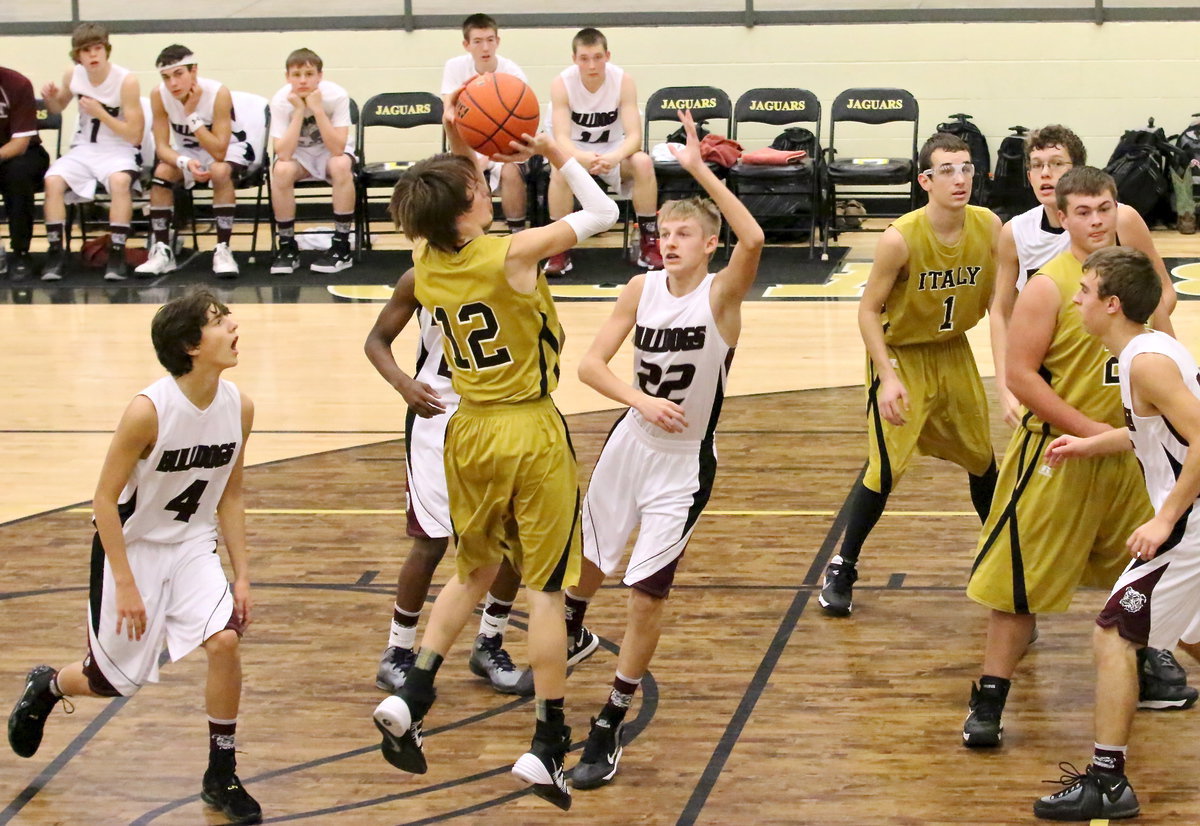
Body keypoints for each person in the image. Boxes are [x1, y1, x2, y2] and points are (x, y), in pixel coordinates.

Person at [370, 90, 617, 811]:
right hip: (526, 428)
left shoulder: (427, 261)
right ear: (467, 206)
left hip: (465, 428)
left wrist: (464, 140)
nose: (487, 187)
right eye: (478, 185)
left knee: (472, 569)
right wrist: (553, 151)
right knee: (542, 589)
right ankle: (547, 741)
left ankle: (414, 693)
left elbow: (439, 189)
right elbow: (602, 214)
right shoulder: (510, 253)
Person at [963, 167, 1197, 751]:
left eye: (1105, 209)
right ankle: (990, 697)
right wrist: (1092, 431)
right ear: (1061, 217)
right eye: (1085, 212)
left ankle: (1144, 671)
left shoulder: (1130, 281)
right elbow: (1018, 374)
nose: (1097, 221)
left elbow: (1167, 354)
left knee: (1156, 583)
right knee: (1019, 582)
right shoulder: (1052, 284)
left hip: (1136, 457)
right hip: (1062, 452)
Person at [6, 289, 260, 825]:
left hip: (192, 543)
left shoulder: (240, 406)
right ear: (192, 345)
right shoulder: (148, 411)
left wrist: (242, 575)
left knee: (225, 640)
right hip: (135, 546)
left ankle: (222, 772)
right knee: (108, 682)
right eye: (220, 320)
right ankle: (48, 686)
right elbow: (102, 499)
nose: (234, 325)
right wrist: (123, 582)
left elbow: (231, 492)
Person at [564, 110, 763, 790]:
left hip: (683, 464)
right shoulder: (639, 288)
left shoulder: (722, 295)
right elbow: (589, 366)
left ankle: (608, 720)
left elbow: (756, 236)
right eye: (663, 232)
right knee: (591, 558)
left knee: (646, 596)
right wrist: (638, 399)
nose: (669, 242)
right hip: (631, 441)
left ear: (709, 245)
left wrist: (702, 170)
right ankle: (571, 627)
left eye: (684, 234)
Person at [1031, 247, 1200, 820]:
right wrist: (1089, 443)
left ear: (1110, 304)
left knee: (1113, 636)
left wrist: (1164, 519)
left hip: (1191, 521)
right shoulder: (1145, 351)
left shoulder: (1145, 361)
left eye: (1084, 290)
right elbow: (1154, 435)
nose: (1074, 298)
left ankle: (1107, 782)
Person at [817, 133, 1000, 617]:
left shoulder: (988, 227)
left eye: (965, 168)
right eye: (946, 170)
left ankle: (1002, 560)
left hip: (953, 351)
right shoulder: (900, 238)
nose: (959, 178)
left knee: (983, 458)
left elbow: (1005, 302)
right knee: (885, 467)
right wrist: (887, 376)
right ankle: (843, 565)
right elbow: (867, 310)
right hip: (901, 356)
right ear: (925, 181)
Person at [364, 266, 533, 696]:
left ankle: (489, 643)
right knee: (431, 541)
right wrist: (404, 384)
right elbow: (376, 340)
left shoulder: (508, 264)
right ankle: (397, 653)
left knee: (511, 536)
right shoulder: (419, 277)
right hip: (437, 413)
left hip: (496, 413)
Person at [990, 124, 1176, 429]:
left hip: (1111, 361)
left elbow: (1163, 292)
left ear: (1077, 170)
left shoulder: (1120, 219)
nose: (1046, 173)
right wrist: (1003, 384)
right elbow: (1001, 311)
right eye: (1037, 166)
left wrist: (1131, 336)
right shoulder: (1015, 232)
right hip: (1053, 364)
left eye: (1057, 163)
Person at [546, 27, 660, 276]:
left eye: (598, 57)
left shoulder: (623, 81)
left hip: (612, 150)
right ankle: (558, 250)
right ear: (574, 59)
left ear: (607, 55)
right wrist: (585, 158)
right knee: (558, 169)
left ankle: (648, 242)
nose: (592, 65)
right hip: (576, 151)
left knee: (643, 162)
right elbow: (561, 139)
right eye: (584, 58)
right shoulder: (562, 84)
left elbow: (634, 137)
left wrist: (614, 157)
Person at [39, 22, 143, 283]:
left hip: (118, 149)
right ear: (78, 55)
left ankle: (117, 252)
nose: (93, 54)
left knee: (120, 182)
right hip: (84, 149)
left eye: (98, 48)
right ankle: (56, 252)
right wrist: (51, 98)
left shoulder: (126, 80)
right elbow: (57, 107)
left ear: (107, 50)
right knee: (52, 181)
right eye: (86, 50)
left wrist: (101, 114)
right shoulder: (73, 74)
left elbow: (134, 135)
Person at [135, 45, 251, 279]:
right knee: (161, 173)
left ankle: (223, 250)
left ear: (194, 71)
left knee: (219, 171)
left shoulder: (218, 93)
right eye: (166, 77)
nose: (173, 83)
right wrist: (185, 163)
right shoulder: (159, 95)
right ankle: (162, 252)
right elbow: (162, 147)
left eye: (179, 74)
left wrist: (191, 114)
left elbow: (218, 151)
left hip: (229, 148)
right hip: (189, 152)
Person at [268, 48, 355, 275]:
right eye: (296, 75)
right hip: (300, 157)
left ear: (320, 76)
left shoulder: (336, 96)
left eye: (309, 74)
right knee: (281, 170)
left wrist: (316, 109)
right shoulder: (279, 101)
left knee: (341, 164)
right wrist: (298, 112)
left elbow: (337, 148)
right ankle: (287, 246)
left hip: (329, 153)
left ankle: (341, 244)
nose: (303, 80)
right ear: (287, 77)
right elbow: (284, 153)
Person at [440, 13, 528, 234]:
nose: (485, 47)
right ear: (466, 45)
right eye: (478, 41)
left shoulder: (513, 73)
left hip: (504, 146)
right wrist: (474, 154)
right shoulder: (454, 67)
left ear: (498, 41)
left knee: (510, 172)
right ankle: (471, 237)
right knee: (464, 176)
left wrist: (488, 158)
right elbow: (449, 112)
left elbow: (520, 129)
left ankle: (516, 236)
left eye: (490, 40)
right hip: (467, 143)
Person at [0, 65, 51, 281]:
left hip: (23, 153)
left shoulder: (17, 84)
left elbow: (20, 144)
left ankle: (21, 252)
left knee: (17, 174)